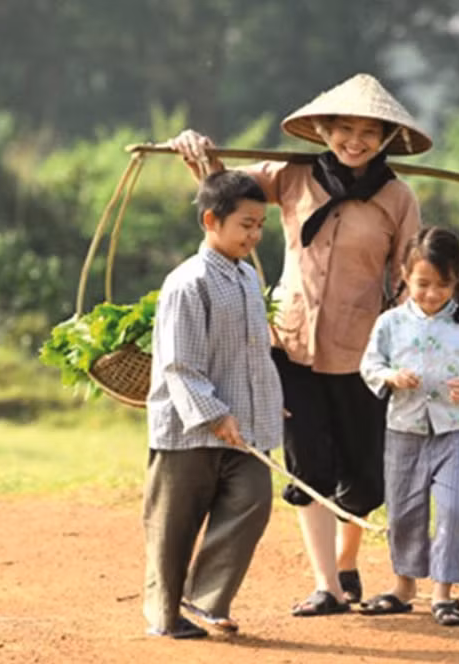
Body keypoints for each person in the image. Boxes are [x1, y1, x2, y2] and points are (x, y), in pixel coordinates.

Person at [169, 73, 432, 616]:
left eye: (367, 133)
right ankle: (327, 586)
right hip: (290, 346)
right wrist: (197, 150)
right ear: (324, 130)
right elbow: (226, 190)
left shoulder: (397, 197)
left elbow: (410, 274)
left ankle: (347, 561)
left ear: (384, 138)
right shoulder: (291, 177)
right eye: (343, 130)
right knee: (306, 462)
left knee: (363, 473)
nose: (353, 142)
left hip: (364, 353)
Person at [142, 170, 283, 638]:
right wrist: (214, 414)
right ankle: (164, 617)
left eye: (260, 225)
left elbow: (252, 353)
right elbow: (179, 365)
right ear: (211, 220)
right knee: (174, 527)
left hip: (241, 431)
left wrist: (267, 403)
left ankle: (205, 600)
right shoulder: (188, 283)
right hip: (187, 432)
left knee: (254, 500)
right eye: (246, 224)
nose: (255, 235)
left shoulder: (246, 279)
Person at [356, 226, 459, 627]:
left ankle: (444, 594)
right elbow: (370, 365)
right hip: (404, 428)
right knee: (404, 510)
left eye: (442, 285)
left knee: (452, 509)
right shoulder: (390, 323)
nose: (432, 294)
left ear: (456, 281)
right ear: (404, 274)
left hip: (455, 431)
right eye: (422, 284)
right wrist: (391, 377)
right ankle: (403, 587)